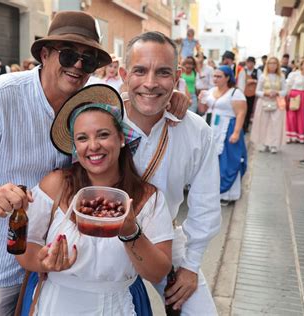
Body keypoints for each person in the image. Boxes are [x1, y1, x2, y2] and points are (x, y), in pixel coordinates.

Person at [0, 11, 114, 315]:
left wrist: (175, 104)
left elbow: (136, 108)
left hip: (59, 259)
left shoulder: (90, 102)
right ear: (45, 54)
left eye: (88, 60)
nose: (78, 66)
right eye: (68, 55)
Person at [16, 84, 173, 315]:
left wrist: (131, 232)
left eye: (103, 134)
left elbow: (158, 272)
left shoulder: (148, 197)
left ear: (120, 138)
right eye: (82, 138)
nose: (93, 146)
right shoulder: (56, 184)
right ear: (75, 147)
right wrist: (43, 263)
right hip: (58, 304)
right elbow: (25, 250)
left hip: (118, 306)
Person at [119, 31, 221, 314]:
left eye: (162, 73)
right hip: (101, 240)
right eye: (140, 70)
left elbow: (206, 205)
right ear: (124, 73)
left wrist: (190, 266)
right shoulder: (103, 117)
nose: (150, 83)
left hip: (163, 241)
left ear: (176, 78)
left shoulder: (197, 132)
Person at [199, 66, 248, 204]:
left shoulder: (235, 93)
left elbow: (240, 113)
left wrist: (236, 132)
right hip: (212, 127)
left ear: (227, 77)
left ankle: (227, 194)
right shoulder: (210, 91)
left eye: (219, 76)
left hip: (228, 128)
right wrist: (202, 100)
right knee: (212, 161)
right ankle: (212, 193)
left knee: (228, 161)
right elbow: (203, 109)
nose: (215, 79)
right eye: (214, 76)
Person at [250, 56, 287, 153]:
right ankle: (264, 144)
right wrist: (265, 93)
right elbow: (257, 91)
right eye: (270, 63)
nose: (272, 65)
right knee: (264, 123)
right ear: (267, 65)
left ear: (277, 65)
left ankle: (274, 145)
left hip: (277, 102)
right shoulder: (263, 76)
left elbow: (285, 90)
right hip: (264, 102)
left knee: (275, 123)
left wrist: (277, 93)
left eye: (275, 63)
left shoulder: (281, 76)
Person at [285, 58, 304, 143]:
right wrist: (287, 96)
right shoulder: (294, 74)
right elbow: (288, 85)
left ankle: (301, 136)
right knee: (292, 116)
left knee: (303, 117)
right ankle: (290, 136)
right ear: (301, 66)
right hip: (294, 96)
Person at [243, 56, 259, 132]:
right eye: (248, 62)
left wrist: (253, 81)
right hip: (243, 93)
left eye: (251, 63)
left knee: (249, 110)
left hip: (252, 94)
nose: (250, 64)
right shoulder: (243, 71)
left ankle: (246, 126)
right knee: (243, 110)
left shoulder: (257, 71)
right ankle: (242, 125)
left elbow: (260, 81)